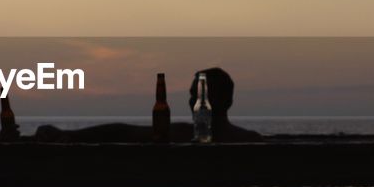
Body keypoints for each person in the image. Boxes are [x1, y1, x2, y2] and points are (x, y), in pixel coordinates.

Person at [34, 67, 262, 143]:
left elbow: (124, 131)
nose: (195, 101)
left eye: (202, 95)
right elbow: (123, 131)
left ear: (227, 100)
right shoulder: (181, 133)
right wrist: (68, 135)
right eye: (193, 95)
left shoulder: (250, 141)